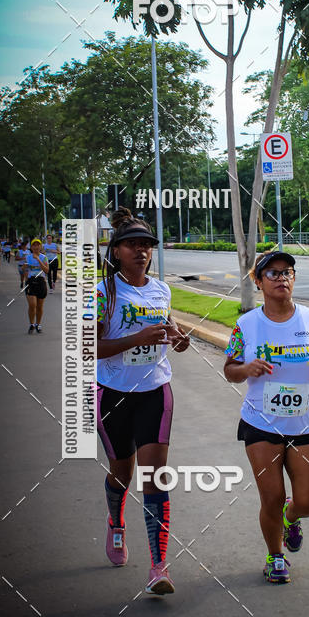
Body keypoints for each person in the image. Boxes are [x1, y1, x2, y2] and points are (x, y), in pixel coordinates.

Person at [96, 208, 190, 595]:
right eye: (132, 244)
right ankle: (116, 522)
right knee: (123, 472)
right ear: (116, 250)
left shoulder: (161, 289)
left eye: (147, 245)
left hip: (155, 391)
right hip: (114, 395)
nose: (141, 251)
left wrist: (177, 338)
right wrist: (137, 338)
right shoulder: (103, 292)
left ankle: (158, 565)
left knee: (154, 476)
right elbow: (90, 348)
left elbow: (167, 331)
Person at [224, 251, 309, 584]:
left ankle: (292, 514)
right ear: (258, 281)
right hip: (261, 423)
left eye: (288, 272)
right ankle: (275, 556)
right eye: (272, 273)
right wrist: (246, 368)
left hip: (305, 423)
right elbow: (230, 370)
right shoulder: (247, 325)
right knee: (269, 497)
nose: (282, 277)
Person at [23, 238, 49, 332]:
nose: (36, 247)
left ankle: (38, 324)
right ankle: (31, 324)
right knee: (32, 304)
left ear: (40, 246)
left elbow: (46, 270)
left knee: (39, 306)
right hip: (31, 282)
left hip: (41, 281)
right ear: (31, 247)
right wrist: (26, 278)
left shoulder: (43, 257)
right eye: (34, 245)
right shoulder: (28, 257)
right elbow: (25, 269)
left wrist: (38, 259)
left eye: (38, 245)